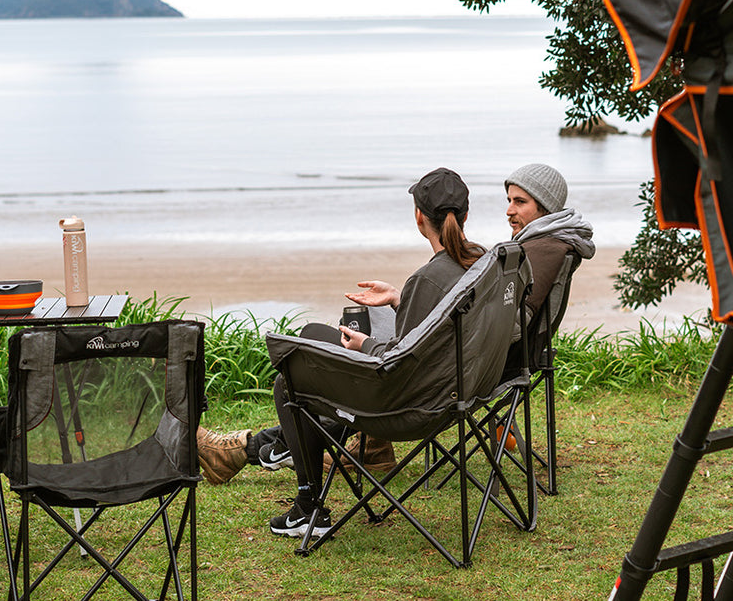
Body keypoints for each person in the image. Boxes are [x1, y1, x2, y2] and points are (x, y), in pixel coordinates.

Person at [194, 167, 486, 539]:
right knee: (313, 334)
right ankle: (274, 447)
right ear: (465, 214)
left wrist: (363, 345)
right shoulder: (482, 264)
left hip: (407, 406)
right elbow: (439, 331)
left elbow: (399, 358)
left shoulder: (428, 279)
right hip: (458, 391)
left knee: (292, 380)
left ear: (419, 218)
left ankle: (307, 504)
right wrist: (400, 299)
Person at [503, 162, 595, 331]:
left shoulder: (544, 250)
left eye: (520, 202)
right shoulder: (541, 243)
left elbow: (513, 328)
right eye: (509, 200)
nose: (509, 211)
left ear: (546, 207)